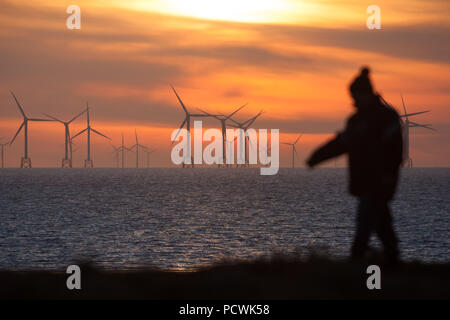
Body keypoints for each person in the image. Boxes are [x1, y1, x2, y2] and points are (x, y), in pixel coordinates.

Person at [306, 66, 403, 265]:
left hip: (378, 181)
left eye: (356, 96)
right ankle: (392, 263)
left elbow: (394, 152)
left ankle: (356, 263)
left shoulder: (384, 118)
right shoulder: (358, 120)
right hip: (366, 181)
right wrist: (316, 157)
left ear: (365, 93)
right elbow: (341, 143)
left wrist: (388, 175)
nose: (353, 101)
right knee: (382, 224)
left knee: (365, 224)